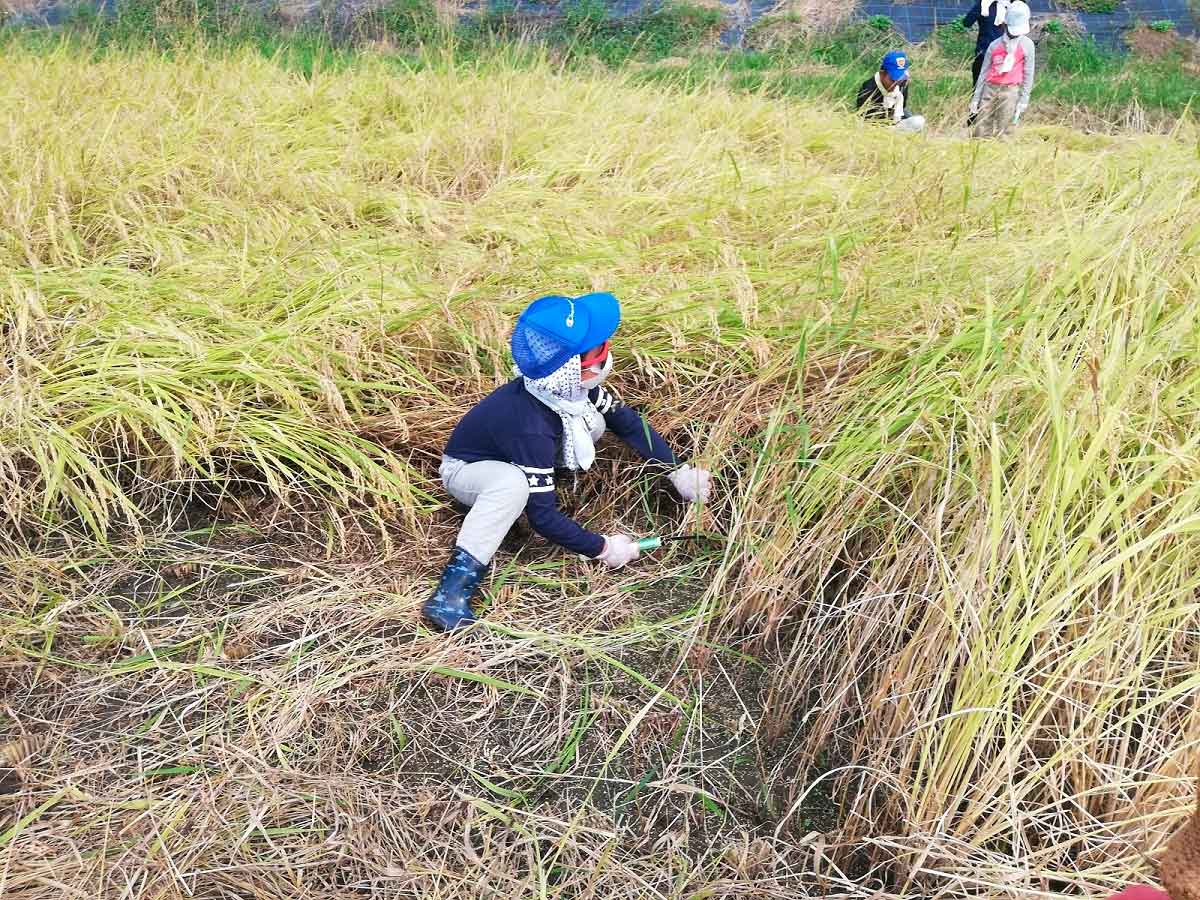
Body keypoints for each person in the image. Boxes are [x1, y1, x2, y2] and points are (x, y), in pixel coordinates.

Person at [423, 292, 713, 631]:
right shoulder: (529, 425)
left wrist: (678, 472)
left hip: (519, 455)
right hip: (468, 471)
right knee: (511, 486)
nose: (608, 350)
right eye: (600, 348)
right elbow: (543, 517)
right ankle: (449, 595)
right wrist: (603, 549)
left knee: (596, 423)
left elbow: (628, 424)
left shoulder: (573, 390)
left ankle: (532, 485)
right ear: (576, 368)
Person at [969, 0, 1035, 139]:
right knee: (982, 123)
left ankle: (1002, 151)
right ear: (1004, 24)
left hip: (1011, 90)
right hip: (990, 88)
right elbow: (983, 73)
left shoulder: (1027, 45)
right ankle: (980, 146)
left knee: (1005, 127)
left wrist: (1024, 99)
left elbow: (1028, 73)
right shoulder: (994, 46)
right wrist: (976, 99)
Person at [856, 51, 925, 134]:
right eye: (893, 80)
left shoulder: (902, 83)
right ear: (882, 74)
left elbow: (902, 108)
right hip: (877, 127)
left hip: (895, 119)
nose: (897, 83)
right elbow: (866, 120)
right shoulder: (868, 89)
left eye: (900, 79)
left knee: (919, 121)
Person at [962, 0, 1010, 93]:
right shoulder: (1009, 6)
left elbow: (967, 22)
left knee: (978, 89)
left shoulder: (983, 5)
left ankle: (976, 105)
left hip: (983, 51)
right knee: (999, 89)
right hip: (1004, 54)